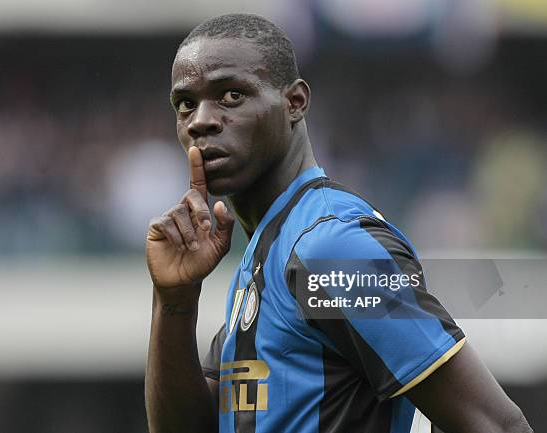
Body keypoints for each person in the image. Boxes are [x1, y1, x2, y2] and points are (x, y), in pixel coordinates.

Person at [145, 13, 533, 433]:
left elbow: (496, 424)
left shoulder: (330, 248)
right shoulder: (268, 252)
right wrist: (174, 301)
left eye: (232, 95)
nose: (200, 120)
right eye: (185, 104)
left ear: (295, 103)